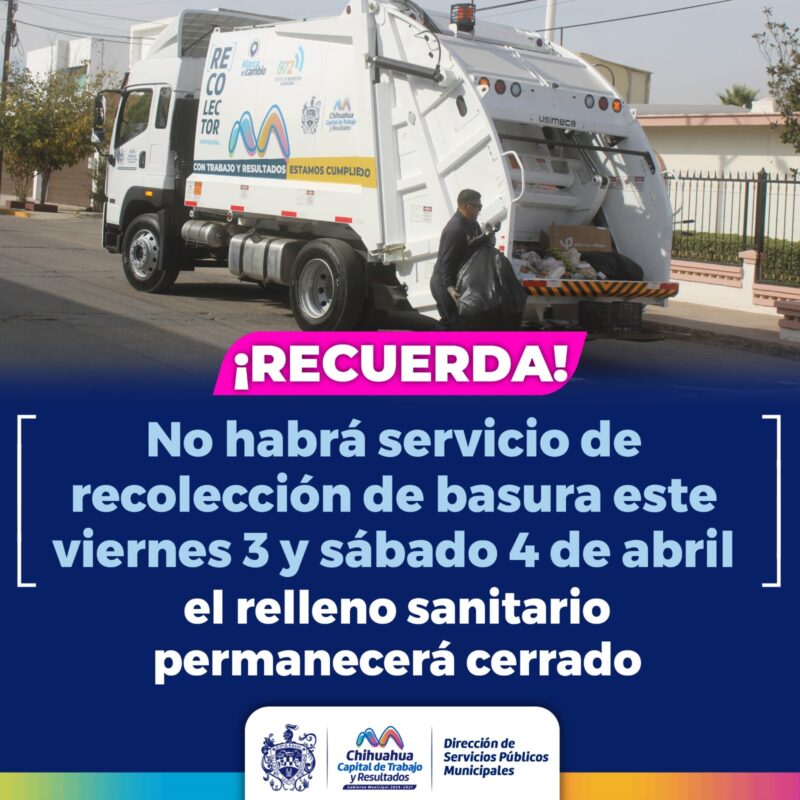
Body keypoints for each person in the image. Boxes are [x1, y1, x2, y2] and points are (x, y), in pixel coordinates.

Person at [430, 188, 483, 327]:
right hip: (444, 283)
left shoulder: (472, 224)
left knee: (457, 324)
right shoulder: (456, 229)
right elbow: (446, 262)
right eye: (478, 207)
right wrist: (450, 288)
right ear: (467, 206)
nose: (479, 210)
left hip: (457, 280)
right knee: (454, 323)